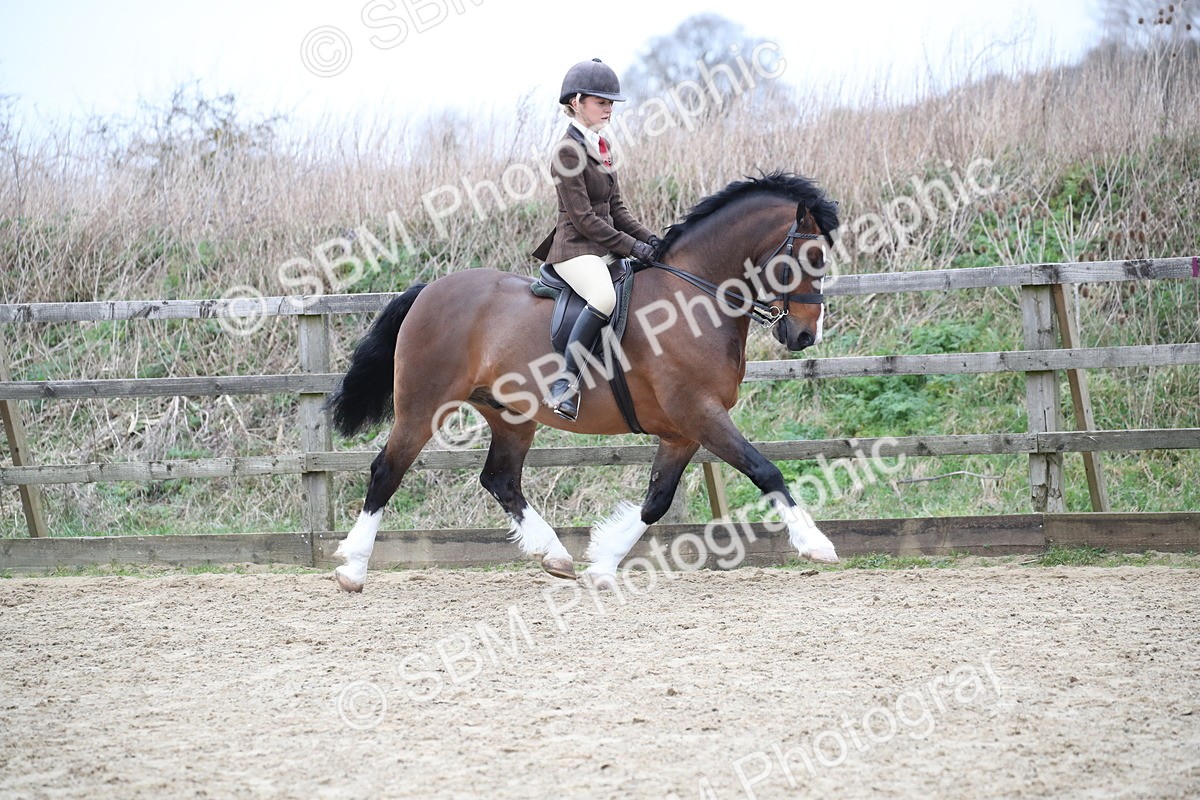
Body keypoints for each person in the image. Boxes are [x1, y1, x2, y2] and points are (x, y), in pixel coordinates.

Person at [531, 57, 663, 422]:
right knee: (604, 296)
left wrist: (653, 241)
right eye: (601, 102)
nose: (609, 109)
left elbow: (617, 210)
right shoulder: (567, 151)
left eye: (611, 103)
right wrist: (633, 248)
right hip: (575, 249)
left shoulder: (601, 146)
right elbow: (586, 220)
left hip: (603, 247)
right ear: (576, 102)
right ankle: (564, 384)